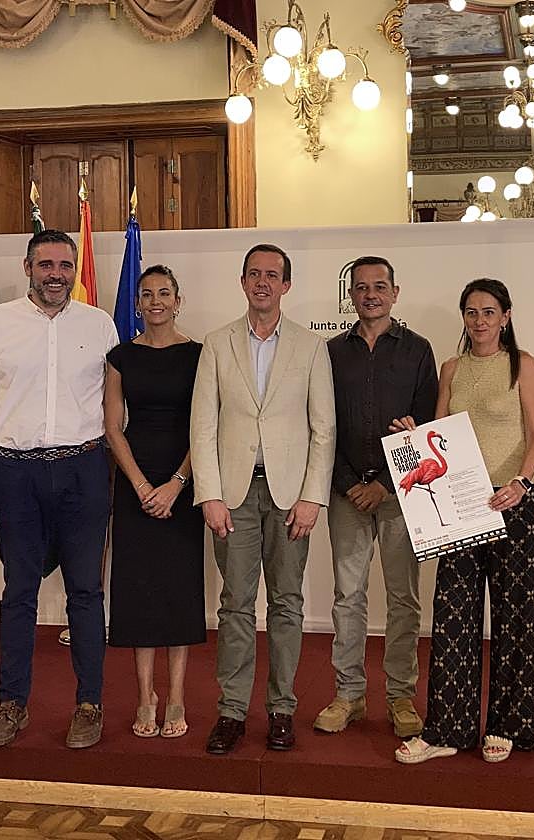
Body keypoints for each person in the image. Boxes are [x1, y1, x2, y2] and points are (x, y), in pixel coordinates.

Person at [0, 229, 119, 750]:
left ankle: (89, 704)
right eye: (45, 264)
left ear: (74, 270)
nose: (56, 275)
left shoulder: (101, 325)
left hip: (83, 471)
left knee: (87, 592)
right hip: (13, 475)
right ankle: (12, 703)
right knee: (18, 591)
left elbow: (116, 409)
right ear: (27, 267)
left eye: (65, 266)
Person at [190, 243, 336, 754]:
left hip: (289, 495)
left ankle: (281, 709)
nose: (262, 283)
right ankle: (231, 712)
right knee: (234, 605)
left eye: (272, 275)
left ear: (286, 285)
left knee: (287, 604)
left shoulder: (310, 346)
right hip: (231, 495)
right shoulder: (216, 343)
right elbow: (202, 425)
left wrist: (312, 497)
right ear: (243, 281)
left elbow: (324, 429)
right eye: (254, 274)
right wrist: (208, 494)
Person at [394, 278, 534, 765]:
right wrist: (414, 436)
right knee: (454, 617)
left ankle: (507, 725)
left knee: (514, 617)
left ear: (506, 316)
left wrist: (520, 482)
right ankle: (447, 729)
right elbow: (439, 431)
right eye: (471, 312)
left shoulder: (524, 366)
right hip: (459, 509)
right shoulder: (452, 368)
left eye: (488, 311)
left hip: (513, 500)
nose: (479, 320)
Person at [315, 256, 438, 738]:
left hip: (401, 493)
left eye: (379, 286)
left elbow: (426, 422)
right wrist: (350, 484)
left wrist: (385, 484)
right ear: (351, 294)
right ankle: (349, 694)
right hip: (346, 492)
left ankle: (400, 695)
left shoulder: (418, 350)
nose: (370, 294)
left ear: (395, 292)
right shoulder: (330, 352)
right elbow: (322, 424)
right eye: (361, 287)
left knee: (403, 598)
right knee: (348, 598)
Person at [103, 265, 205, 739]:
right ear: (138, 304)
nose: (156, 300)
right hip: (134, 484)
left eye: (165, 292)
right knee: (140, 591)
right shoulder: (120, 356)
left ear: (178, 300)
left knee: (178, 591)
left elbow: (207, 426)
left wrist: (176, 483)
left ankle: (179, 697)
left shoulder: (200, 356)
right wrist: (143, 486)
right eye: (147, 294)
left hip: (184, 483)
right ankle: (146, 696)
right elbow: (112, 427)